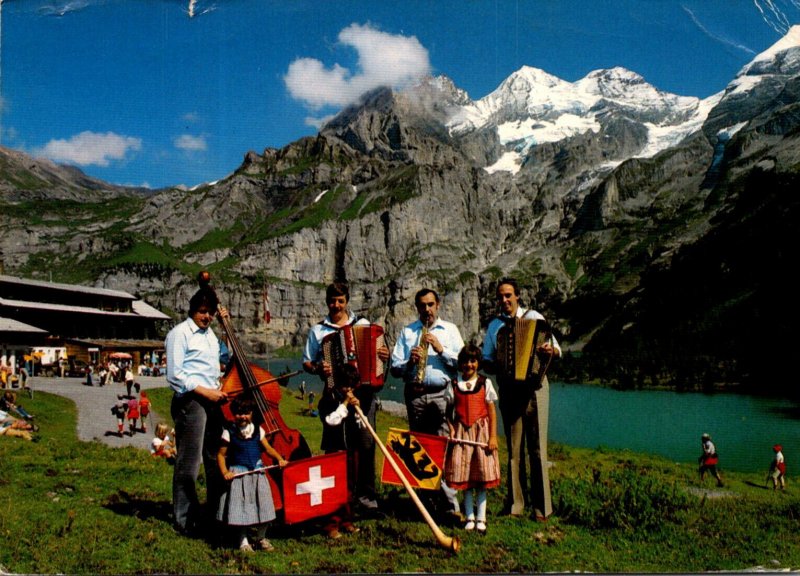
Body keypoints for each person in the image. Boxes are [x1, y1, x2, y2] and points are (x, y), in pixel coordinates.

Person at [302, 281, 390, 511]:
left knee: (365, 444)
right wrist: (319, 368)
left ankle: (366, 499)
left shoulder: (363, 325)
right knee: (336, 446)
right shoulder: (318, 331)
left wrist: (383, 354)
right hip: (334, 395)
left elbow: (379, 352)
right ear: (327, 301)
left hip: (363, 395)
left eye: (340, 301)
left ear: (347, 301)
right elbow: (307, 362)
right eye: (332, 301)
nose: (336, 305)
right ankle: (339, 498)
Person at [482, 277, 561, 520]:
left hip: (536, 388)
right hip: (509, 390)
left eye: (508, 296)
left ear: (517, 296)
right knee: (514, 450)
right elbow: (486, 358)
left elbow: (557, 349)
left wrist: (550, 350)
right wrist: (500, 362)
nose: (504, 300)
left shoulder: (535, 318)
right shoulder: (495, 327)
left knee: (538, 449)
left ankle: (542, 508)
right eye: (500, 297)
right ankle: (516, 505)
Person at [390, 287, 465, 521]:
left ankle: (450, 505)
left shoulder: (450, 330)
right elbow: (394, 369)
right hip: (415, 395)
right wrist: (409, 363)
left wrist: (441, 350)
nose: (427, 310)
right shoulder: (408, 332)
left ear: (438, 305)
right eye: (422, 305)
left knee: (444, 449)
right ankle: (424, 504)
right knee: (419, 450)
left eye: (430, 305)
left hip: (442, 395)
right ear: (417, 307)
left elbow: (462, 364)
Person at [165, 284, 230, 537]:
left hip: (213, 400)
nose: (207, 317)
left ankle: (214, 512)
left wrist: (218, 385)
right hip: (191, 401)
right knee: (189, 463)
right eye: (203, 311)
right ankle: (184, 519)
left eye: (211, 313)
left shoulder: (210, 335)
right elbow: (175, 375)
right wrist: (205, 391)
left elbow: (220, 363)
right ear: (193, 310)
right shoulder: (180, 334)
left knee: (215, 458)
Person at [216, 396, 286, 552]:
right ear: (234, 414)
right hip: (239, 475)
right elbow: (220, 455)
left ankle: (261, 538)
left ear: (252, 413)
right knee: (241, 508)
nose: (243, 417)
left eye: (246, 413)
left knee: (265, 505)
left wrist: (280, 459)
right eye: (239, 413)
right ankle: (243, 541)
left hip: (257, 473)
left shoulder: (258, 430)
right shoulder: (229, 432)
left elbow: (268, 449)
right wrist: (225, 472)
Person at [444, 343, 500, 533]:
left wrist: (492, 436)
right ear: (460, 364)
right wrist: (452, 430)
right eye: (466, 361)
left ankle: (481, 518)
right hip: (462, 435)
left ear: (478, 363)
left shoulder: (485, 383)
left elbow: (492, 412)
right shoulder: (453, 384)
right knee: (466, 477)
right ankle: (469, 516)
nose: (469, 365)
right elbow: (448, 412)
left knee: (481, 476)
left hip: (481, 435)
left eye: (473, 361)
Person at [317, 363, 366, 539]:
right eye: (346, 386)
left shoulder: (354, 399)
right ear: (338, 383)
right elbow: (331, 420)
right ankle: (331, 525)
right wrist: (345, 403)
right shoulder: (328, 398)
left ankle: (346, 520)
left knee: (350, 486)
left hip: (351, 448)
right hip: (335, 449)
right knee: (334, 488)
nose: (349, 390)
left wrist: (359, 412)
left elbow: (361, 426)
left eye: (352, 386)